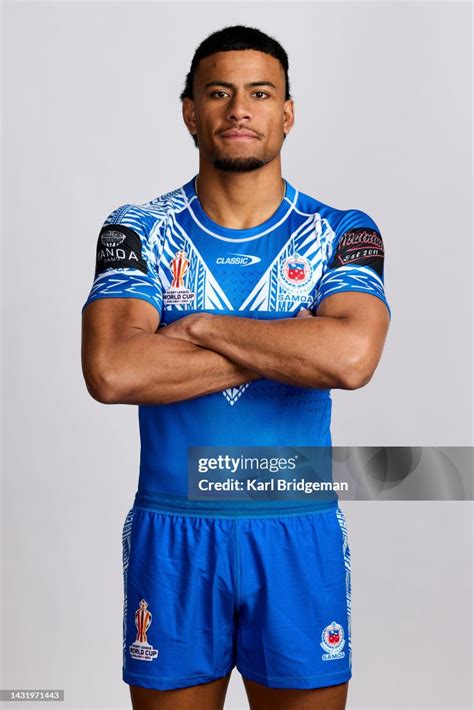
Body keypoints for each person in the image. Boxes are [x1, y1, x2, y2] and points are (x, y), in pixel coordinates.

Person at [81, 24, 390, 710]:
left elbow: (350, 357)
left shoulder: (342, 231)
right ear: (190, 111)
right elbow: (114, 371)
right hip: (174, 527)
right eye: (218, 92)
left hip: (297, 526)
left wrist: (198, 327)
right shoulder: (138, 230)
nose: (239, 109)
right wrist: (291, 340)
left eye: (260, 93)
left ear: (287, 113)